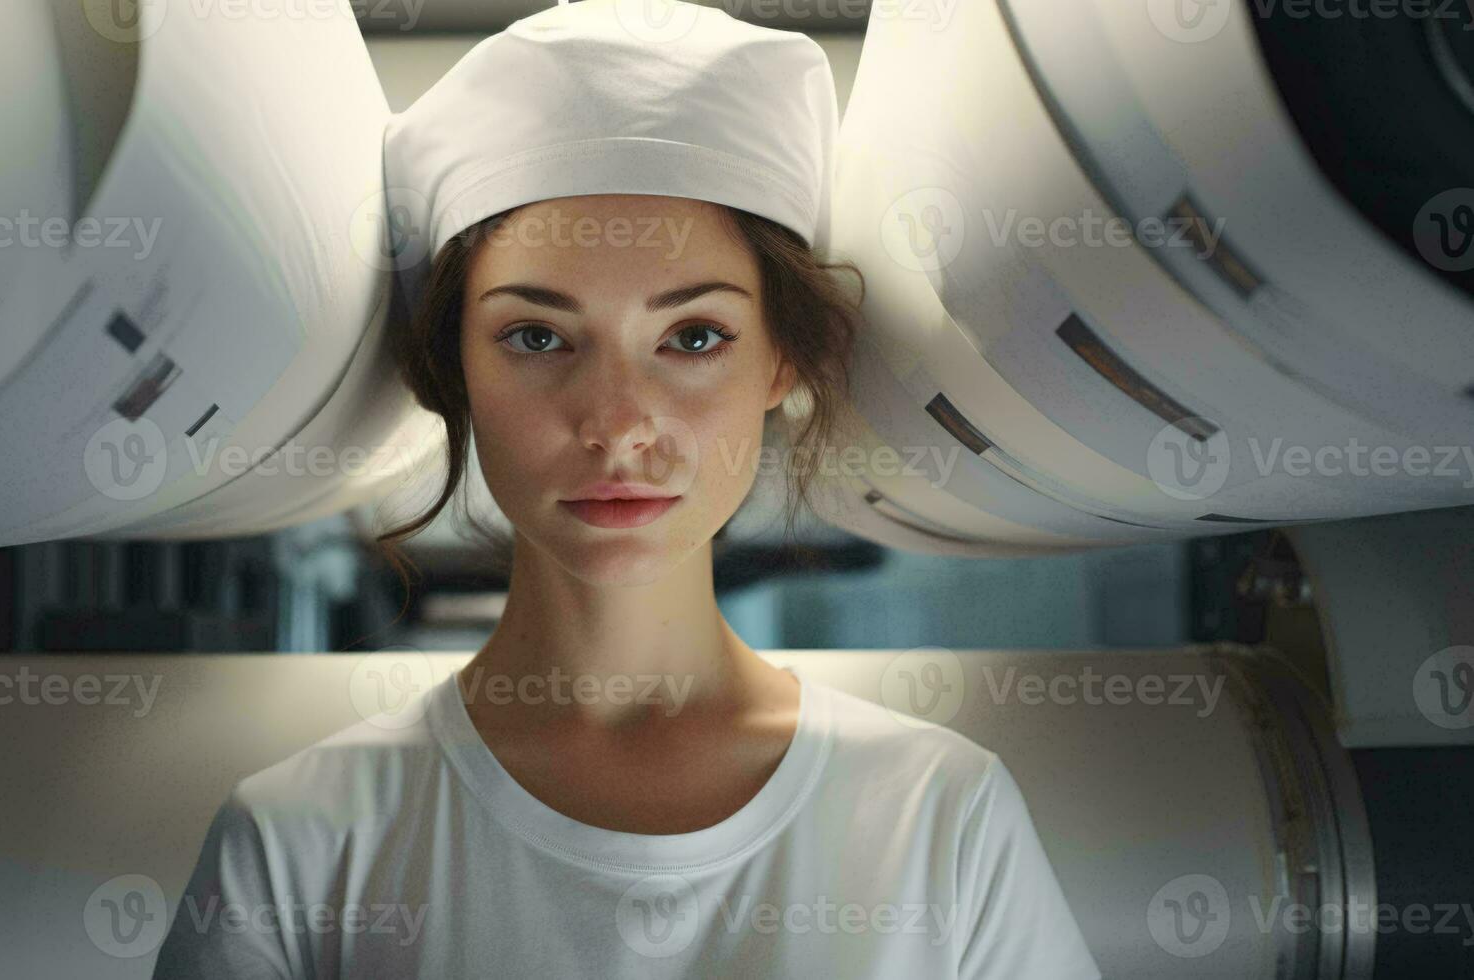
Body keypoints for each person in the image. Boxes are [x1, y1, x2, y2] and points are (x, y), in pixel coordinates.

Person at [153, 2, 1101, 977]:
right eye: (537, 335)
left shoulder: (938, 817)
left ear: (780, 361)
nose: (616, 421)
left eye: (693, 337)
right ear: (456, 367)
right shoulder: (298, 843)